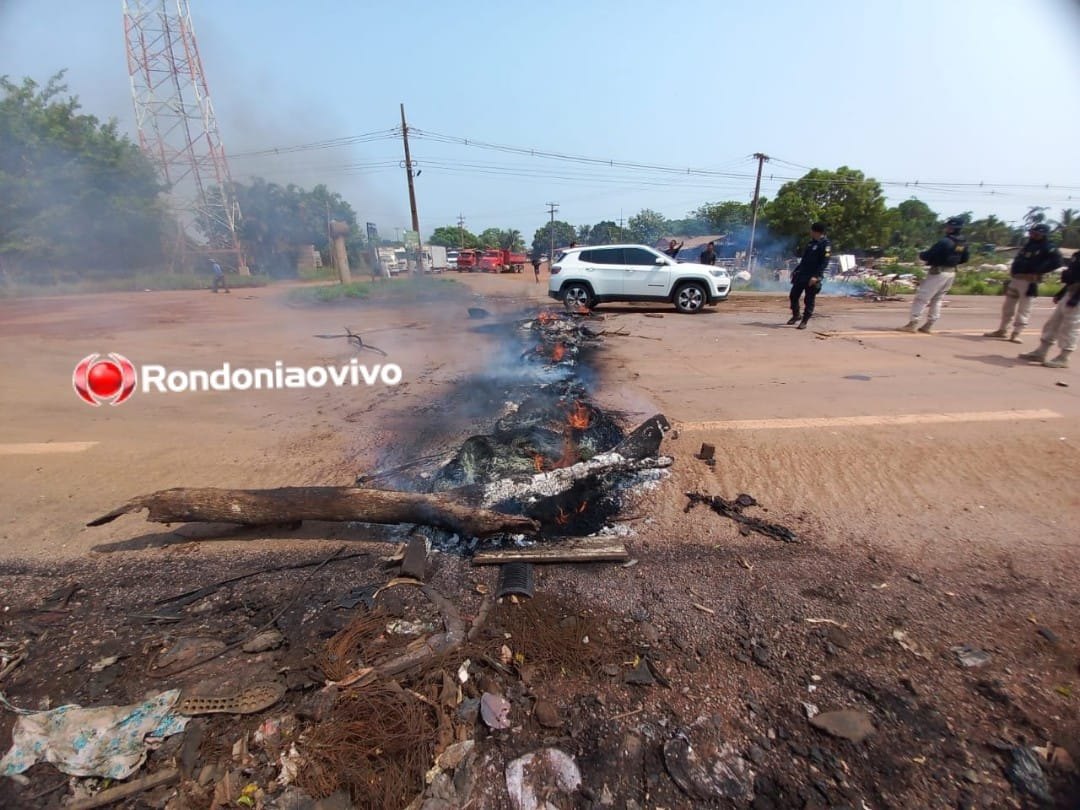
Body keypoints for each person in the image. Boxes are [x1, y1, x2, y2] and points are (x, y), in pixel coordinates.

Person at [983, 223, 1063, 343]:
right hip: (1016, 279)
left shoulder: (1048, 247)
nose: (1032, 235)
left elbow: (1057, 262)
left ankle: (1016, 333)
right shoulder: (1028, 245)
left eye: (1036, 234)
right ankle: (1002, 330)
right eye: (1032, 233)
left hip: (1029, 281)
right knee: (1008, 307)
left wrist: (1038, 272)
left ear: (1043, 235)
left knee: (1024, 309)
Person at [897, 216, 969, 333]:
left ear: (953, 228)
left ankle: (913, 323)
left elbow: (928, 255)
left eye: (949, 226)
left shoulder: (945, 242)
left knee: (922, 298)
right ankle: (929, 325)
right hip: (951, 273)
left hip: (938, 273)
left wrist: (921, 255)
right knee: (937, 299)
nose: (947, 228)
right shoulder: (963, 243)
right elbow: (965, 259)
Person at [1018, 251, 1080, 368]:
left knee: (1070, 327)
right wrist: (1061, 293)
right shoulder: (1077, 255)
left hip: (1077, 297)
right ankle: (1041, 352)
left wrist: (1076, 298)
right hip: (1071, 292)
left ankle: (1063, 357)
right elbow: (1074, 278)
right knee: (1053, 323)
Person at [787, 222, 831, 329]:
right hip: (802, 274)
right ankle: (796, 315)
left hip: (813, 276)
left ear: (816, 231)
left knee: (809, 299)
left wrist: (816, 276)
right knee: (793, 295)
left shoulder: (826, 245)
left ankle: (805, 320)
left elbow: (824, 262)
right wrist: (796, 270)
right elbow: (804, 260)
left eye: (811, 230)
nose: (810, 232)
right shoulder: (811, 243)